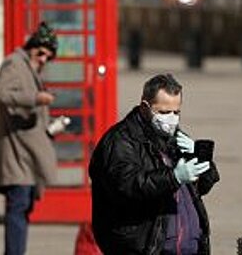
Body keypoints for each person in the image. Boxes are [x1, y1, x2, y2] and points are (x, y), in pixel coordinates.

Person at [89, 73, 220, 255]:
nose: (171, 119)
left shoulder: (173, 137)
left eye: (176, 112)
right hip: (144, 247)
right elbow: (126, 185)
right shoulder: (120, 140)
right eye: (164, 112)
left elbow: (201, 187)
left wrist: (202, 162)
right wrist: (174, 177)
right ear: (145, 107)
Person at [0, 22, 68, 255]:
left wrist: (50, 127)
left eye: (49, 56)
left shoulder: (30, 66)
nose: (44, 59)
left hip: (26, 151)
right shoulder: (14, 63)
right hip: (15, 151)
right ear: (32, 46)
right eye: (41, 53)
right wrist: (36, 98)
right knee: (17, 207)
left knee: (23, 207)